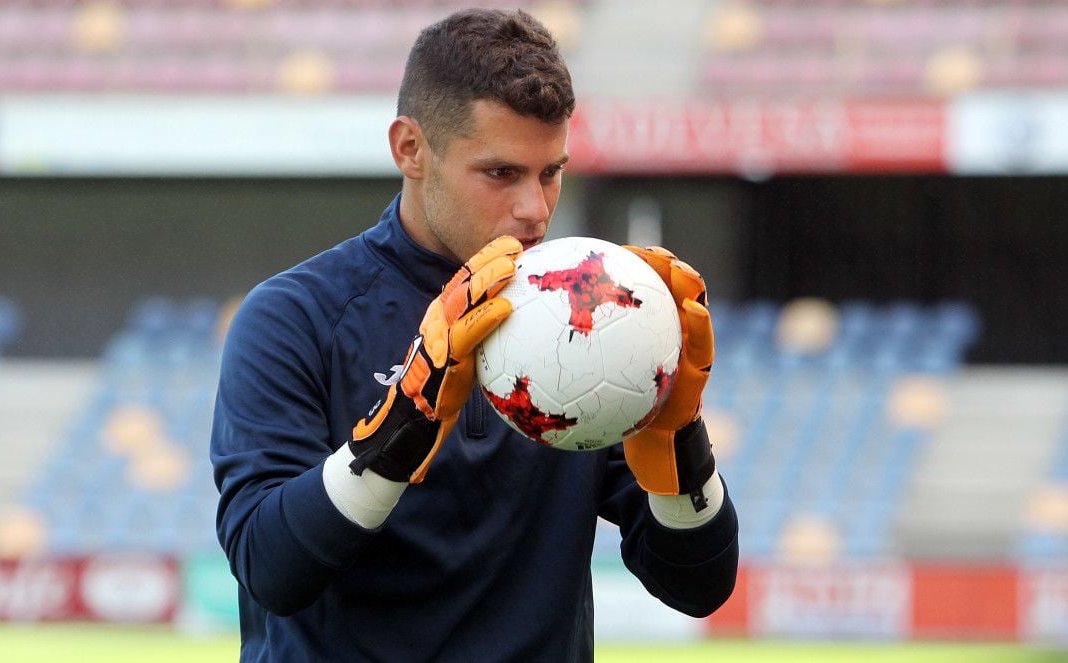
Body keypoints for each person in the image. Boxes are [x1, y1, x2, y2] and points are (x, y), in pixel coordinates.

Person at [211, 8, 738, 662]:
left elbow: (698, 585)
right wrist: (405, 420)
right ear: (410, 148)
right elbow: (271, 569)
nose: (535, 208)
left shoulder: (593, 317)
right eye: (501, 173)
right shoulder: (293, 316)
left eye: (551, 171)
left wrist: (679, 439)